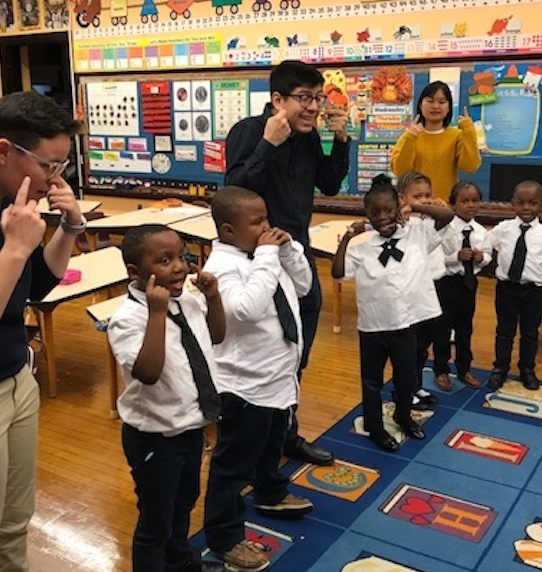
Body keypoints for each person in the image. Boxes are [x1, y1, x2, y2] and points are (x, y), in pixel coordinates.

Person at [0, 91, 83, 572]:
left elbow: (39, 284)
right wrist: (15, 247)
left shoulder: (11, 204)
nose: (54, 179)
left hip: (17, 380)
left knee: (18, 521)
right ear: (3, 152)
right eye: (49, 165)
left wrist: (70, 226)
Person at [224, 59, 351, 466]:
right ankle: (256, 445)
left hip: (298, 257)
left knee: (297, 353)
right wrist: (268, 144)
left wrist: (342, 139)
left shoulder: (308, 136)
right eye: (304, 98)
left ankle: (285, 434)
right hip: (258, 262)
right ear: (278, 99)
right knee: (266, 353)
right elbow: (233, 196)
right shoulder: (249, 131)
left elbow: (329, 183)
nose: (314, 107)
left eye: (318, 98)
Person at [203, 186, 314, 571]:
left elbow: (303, 287)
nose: (267, 227)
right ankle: (224, 536)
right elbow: (246, 310)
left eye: (266, 217)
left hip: (278, 375)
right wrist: (268, 255)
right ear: (229, 230)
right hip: (244, 384)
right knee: (232, 464)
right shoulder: (221, 266)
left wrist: (286, 251)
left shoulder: (267, 255)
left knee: (271, 445)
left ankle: (269, 493)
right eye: (257, 222)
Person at [107, 224, 226, 572]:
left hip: (190, 427)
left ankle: (180, 561)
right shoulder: (127, 319)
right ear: (135, 273)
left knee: (184, 503)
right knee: (156, 518)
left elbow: (217, 335)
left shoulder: (187, 301)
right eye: (164, 260)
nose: (179, 267)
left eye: (182, 256)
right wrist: (156, 314)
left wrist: (214, 297)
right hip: (155, 437)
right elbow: (148, 371)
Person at [332, 175, 454, 452]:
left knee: (406, 377)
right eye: (375, 213)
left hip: (405, 323)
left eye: (389, 210)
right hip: (373, 326)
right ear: (367, 216)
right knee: (372, 381)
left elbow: (447, 215)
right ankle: (375, 426)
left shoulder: (417, 232)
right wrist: (348, 238)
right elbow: (338, 274)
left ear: (398, 208)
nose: (383, 217)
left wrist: (416, 208)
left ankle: (403, 415)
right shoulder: (361, 247)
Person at [396, 171, 454, 405]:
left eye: (428, 194)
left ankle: (416, 386)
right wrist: (411, 207)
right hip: (411, 292)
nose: (425, 199)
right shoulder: (403, 223)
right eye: (417, 196)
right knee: (409, 347)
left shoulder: (430, 220)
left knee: (423, 346)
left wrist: (425, 206)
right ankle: (405, 390)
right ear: (402, 198)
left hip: (433, 289)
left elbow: (447, 215)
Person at [482, 180, 542, 391]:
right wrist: (486, 257)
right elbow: (485, 243)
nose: (526, 208)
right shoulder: (504, 228)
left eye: (533, 203)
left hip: (533, 291)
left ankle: (527, 369)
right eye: (521, 203)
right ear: (513, 204)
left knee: (530, 333)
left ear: (540, 205)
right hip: (506, 289)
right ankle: (500, 368)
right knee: (504, 331)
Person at [433, 181, 490, 390]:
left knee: (465, 327)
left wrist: (481, 257)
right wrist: (455, 256)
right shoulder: (445, 229)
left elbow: (487, 258)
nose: (470, 205)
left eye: (475, 200)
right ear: (453, 204)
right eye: (464, 201)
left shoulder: (480, 231)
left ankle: (464, 368)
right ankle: (441, 369)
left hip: (468, 283)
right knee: (443, 327)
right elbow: (436, 256)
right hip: (447, 282)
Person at [390, 81, 481, 202]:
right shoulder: (409, 136)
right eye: (430, 101)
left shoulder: (456, 136)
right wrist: (410, 137)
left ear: (449, 107)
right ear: (421, 105)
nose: (436, 106)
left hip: (445, 208)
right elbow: (400, 171)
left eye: (442, 102)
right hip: (414, 208)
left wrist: (468, 130)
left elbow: (470, 167)